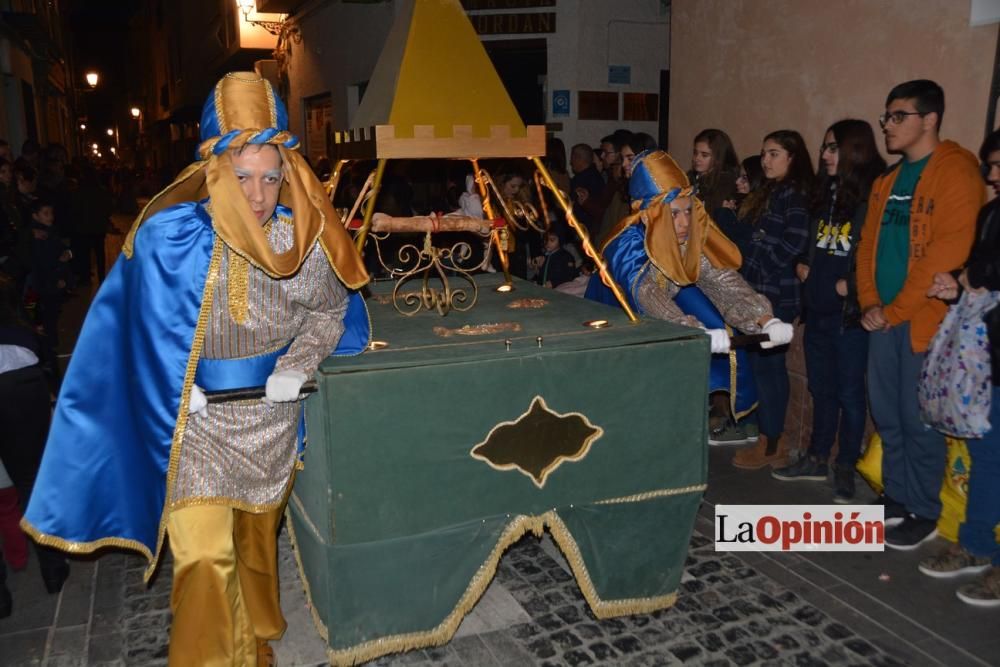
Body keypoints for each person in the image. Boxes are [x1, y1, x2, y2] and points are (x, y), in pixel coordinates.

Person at [21, 73, 371, 665]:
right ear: (213, 172)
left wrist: (297, 364)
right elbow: (128, 333)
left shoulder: (300, 240)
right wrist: (172, 385)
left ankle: (256, 630)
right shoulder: (167, 238)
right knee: (206, 557)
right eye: (241, 177)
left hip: (270, 422)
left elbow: (329, 311)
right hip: (196, 426)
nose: (258, 196)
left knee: (255, 544)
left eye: (270, 177)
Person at [856, 79, 983, 550]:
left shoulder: (957, 172)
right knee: (887, 414)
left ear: (929, 119)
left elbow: (942, 256)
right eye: (886, 116)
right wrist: (870, 302)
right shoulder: (886, 182)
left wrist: (893, 310)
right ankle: (897, 496)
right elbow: (867, 245)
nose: (887, 125)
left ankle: (924, 509)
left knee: (918, 418)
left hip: (922, 321)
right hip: (882, 318)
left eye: (898, 116)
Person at [585, 150, 793, 430]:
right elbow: (646, 291)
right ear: (649, 216)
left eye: (687, 211)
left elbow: (719, 279)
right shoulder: (625, 244)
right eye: (674, 214)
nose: (684, 222)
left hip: (659, 326)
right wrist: (689, 328)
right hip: (616, 325)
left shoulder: (684, 237)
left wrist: (764, 319)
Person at [772, 120, 885, 502]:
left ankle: (845, 466)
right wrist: (803, 265)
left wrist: (851, 286)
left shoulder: (872, 196)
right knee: (822, 390)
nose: (824, 155)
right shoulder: (827, 193)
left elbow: (880, 256)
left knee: (850, 395)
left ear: (855, 149)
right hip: (818, 309)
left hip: (849, 316)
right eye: (824, 148)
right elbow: (814, 242)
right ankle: (818, 456)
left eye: (833, 148)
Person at [916, 128, 1000, 606]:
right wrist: (959, 282)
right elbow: (981, 265)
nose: (991, 176)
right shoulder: (991, 213)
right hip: (989, 356)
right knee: (988, 455)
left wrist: (976, 275)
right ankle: (975, 545)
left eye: (998, 166)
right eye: (989, 165)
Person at [732, 130, 814, 469]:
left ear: (792, 157)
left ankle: (773, 445)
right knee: (761, 368)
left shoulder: (794, 194)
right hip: (757, 291)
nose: (765, 160)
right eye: (764, 153)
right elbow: (754, 238)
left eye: (774, 153)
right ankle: (767, 439)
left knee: (771, 370)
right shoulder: (770, 191)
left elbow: (793, 242)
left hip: (776, 294)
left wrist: (762, 258)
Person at [689, 129, 741, 220]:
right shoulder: (690, 176)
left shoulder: (726, 182)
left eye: (704, 155)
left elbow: (711, 215)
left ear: (719, 157)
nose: (697, 158)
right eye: (695, 153)